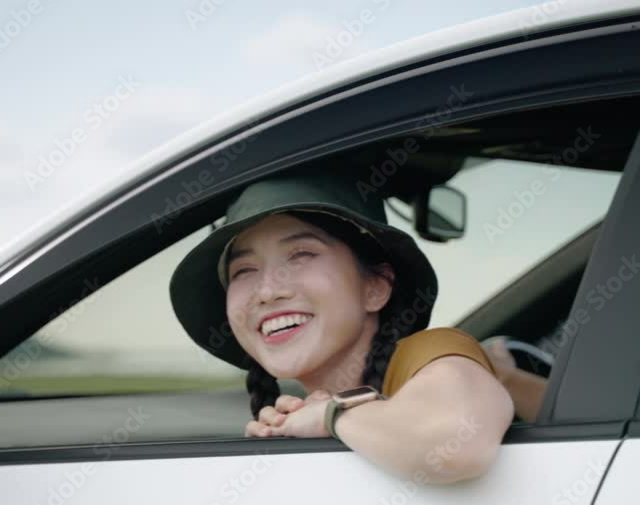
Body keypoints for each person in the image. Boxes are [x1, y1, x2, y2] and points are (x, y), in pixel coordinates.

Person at [169, 170, 514, 484]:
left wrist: (333, 415)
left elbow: (458, 445)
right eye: (244, 270)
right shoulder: (306, 412)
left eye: (301, 254)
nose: (268, 291)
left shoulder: (431, 353)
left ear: (375, 286)